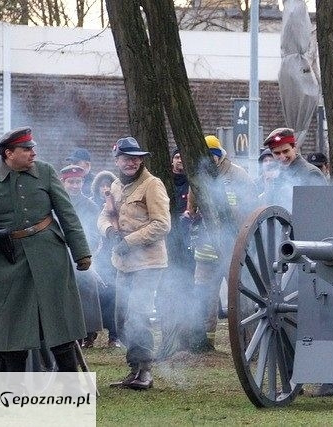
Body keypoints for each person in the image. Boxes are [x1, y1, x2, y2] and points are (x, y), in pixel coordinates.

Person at [0, 126, 91, 372]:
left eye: (33, 148)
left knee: (61, 326)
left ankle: (71, 387)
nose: (33, 153)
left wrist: (81, 252)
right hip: (9, 262)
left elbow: (67, 214)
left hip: (50, 257)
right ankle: (15, 390)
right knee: (12, 333)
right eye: (26, 149)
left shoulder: (46, 172)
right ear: (9, 153)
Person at [98, 136, 170, 390]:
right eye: (127, 158)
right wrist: (109, 231)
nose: (132, 163)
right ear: (117, 160)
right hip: (123, 263)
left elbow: (162, 224)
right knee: (121, 319)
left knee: (138, 315)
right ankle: (135, 368)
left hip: (148, 262)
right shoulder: (116, 186)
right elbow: (104, 215)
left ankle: (145, 371)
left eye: (136, 158)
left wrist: (129, 241)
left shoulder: (153, 184)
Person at [185, 135, 258, 352]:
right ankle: (205, 344)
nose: (210, 161)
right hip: (206, 252)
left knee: (240, 299)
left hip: (232, 250)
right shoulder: (198, 176)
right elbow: (192, 209)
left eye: (213, 156)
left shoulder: (238, 175)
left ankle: (249, 346)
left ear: (220, 156)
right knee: (204, 299)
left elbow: (251, 208)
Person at [155, 148, 195, 358]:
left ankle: (186, 340)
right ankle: (168, 339)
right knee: (165, 292)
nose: (180, 161)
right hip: (166, 243)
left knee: (186, 291)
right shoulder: (162, 183)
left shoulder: (193, 184)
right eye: (176, 157)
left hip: (188, 245)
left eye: (182, 157)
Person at [60, 164, 104, 348]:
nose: (75, 185)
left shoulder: (90, 206)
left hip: (82, 255)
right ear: (63, 182)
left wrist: (82, 251)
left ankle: (89, 333)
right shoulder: (56, 203)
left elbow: (94, 233)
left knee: (87, 290)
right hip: (60, 255)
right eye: (71, 182)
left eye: (78, 182)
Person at [90, 169, 120, 347]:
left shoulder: (118, 205)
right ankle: (89, 334)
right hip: (96, 255)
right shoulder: (91, 205)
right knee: (93, 295)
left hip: (113, 254)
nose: (105, 189)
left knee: (113, 295)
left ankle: (113, 336)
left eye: (108, 185)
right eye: (102, 186)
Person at [263, 128, 326, 207]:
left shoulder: (311, 173)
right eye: (277, 153)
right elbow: (270, 206)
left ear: (294, 148)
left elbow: (320, 206)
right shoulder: (275, 175)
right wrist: (268, 186)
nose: (282, 157)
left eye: (286, 151)